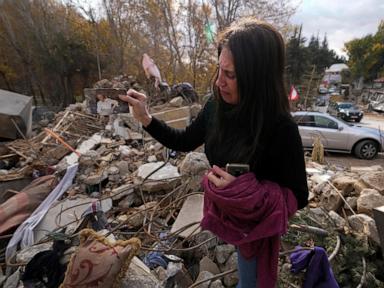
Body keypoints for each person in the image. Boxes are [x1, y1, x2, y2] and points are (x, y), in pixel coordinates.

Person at [120, 17, 308, 288]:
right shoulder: (215, 106)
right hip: (221, 217)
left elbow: (298, 196)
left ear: (257, 77)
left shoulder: (280, 128)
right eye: (219, 69)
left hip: (254, 230)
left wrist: (246, 193)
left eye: (230, 74)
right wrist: (146, 118)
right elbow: (184, 140)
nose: (219, 82)